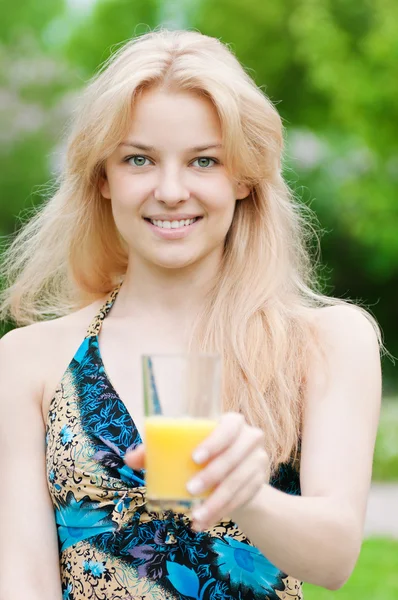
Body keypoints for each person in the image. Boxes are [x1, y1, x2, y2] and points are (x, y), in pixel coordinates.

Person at [0, 29, 382, 600]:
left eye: (204, 160)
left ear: (245, 177)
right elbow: (21, 581)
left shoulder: (325, 341)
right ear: (103, 178)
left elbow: (335, 557)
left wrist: (248, 495)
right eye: (139, 160)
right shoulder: (27, 361)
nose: (172, 190)